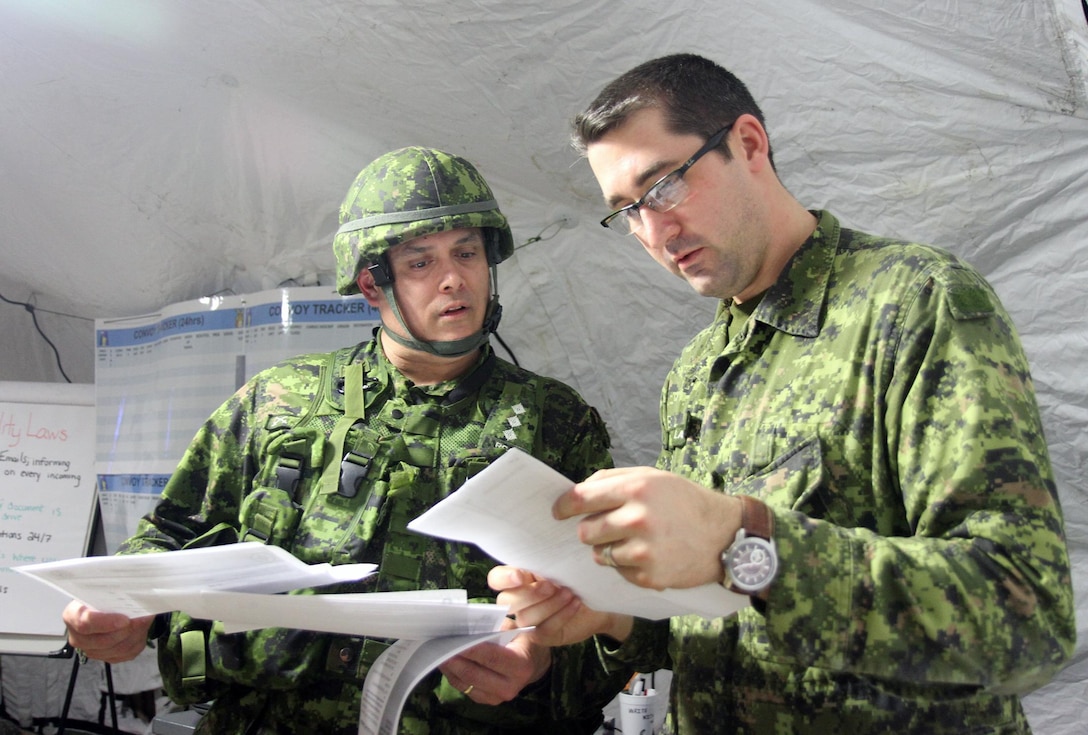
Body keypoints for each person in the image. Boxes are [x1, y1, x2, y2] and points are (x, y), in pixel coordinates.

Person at [491, 53, 1075, 734]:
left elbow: (1027, 616)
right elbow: (719, 620)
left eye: (664, 186)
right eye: (626, 211)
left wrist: (742, 540)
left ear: (748, 144)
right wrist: (616, 614)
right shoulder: (699, 368)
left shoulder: (915, 303)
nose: (653, 232)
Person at [62, 146, 630, 734]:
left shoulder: (554, 421)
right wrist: (122, 609)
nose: (454, 278)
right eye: (420, 263)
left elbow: (612, 612)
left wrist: (536, 659)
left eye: (467, 253)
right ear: (371, 285)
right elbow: (171, 535)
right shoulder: (277, 401)